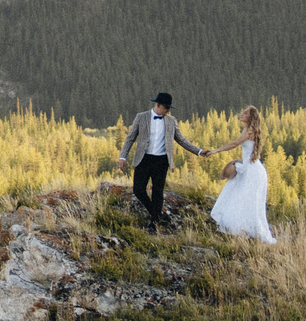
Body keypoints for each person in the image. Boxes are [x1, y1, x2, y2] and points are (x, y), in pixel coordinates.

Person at [116, 92, 205, 228]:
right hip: (143, 159)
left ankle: (154, 223)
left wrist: (199, 151)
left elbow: (181, 140)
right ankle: (156, 214)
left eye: (169, 108)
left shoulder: (171, 121)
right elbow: (130, 138)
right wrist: (123, 157)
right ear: (157, 105)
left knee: (158, 191)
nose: (168, 110)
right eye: (166, 107)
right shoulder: (141, 117)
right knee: (138, 190)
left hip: (162, 161)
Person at [207, 106, 277, 244]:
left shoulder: (249, 130)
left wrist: (216, 151)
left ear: (251, 117)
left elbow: (234, 143)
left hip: (252, 171)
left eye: (245, 113)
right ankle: (244, 229)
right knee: (245, 199)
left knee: (242, 197)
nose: (242, 114)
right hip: (253, 168)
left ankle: (242, 229)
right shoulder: (252, 130)